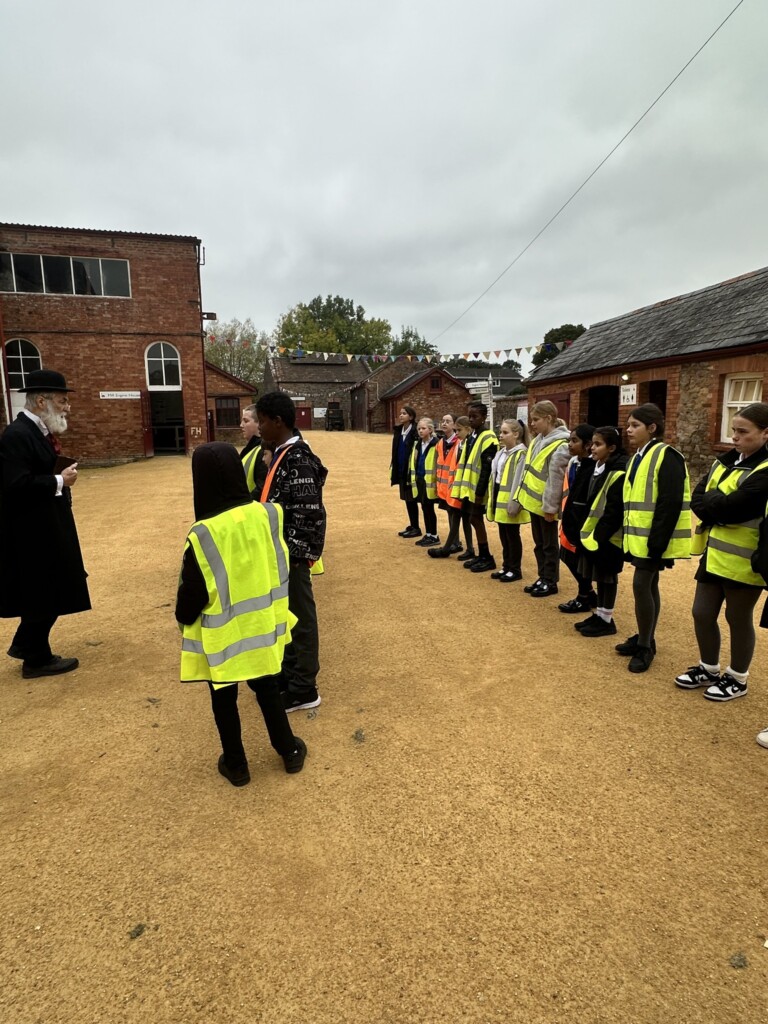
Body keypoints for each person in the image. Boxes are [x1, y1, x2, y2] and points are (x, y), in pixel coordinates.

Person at [176, 443, 306, 786]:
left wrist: (182, 617)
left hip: (224, 637)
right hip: (264, 625)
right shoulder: (270, 514)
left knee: (224, 698)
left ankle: (236, 764)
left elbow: (191, 596)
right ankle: (289, 750)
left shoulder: (203, 533)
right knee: (267, 687)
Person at [674, 402, 768, 702]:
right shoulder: (724, 461)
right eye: (733, 431)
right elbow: (698, 500)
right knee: (701, 613)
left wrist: (715, 505)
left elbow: (733, 506)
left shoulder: (766, 469)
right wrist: (717, 506)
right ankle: (709, 667)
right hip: (714, 553)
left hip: (745, 560)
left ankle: (738, 677)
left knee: (737, 618)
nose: (735, 438)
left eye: (743, 432)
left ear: (765, 434)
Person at [0, 369, 90, 678]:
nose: (68, 408)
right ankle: (36, 659)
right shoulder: (17, 435)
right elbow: (14, 485)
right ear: (41, 400)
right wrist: (58, 480)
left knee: (52, 587)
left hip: (45, 525)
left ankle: (26, 644)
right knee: (45, 590)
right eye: (63, 401)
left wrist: (58, 480)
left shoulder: (36, 432)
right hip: (31, 532)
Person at [257, 391, 328, 712]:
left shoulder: (297, 459)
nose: (259, 427)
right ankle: (290, 673)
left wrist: (298, 554)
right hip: (280, 553)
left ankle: (304, 687)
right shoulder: (283, 453)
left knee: (301, 618)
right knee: (286, 616)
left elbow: (309, 511)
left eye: (261, 421)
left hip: (292, 554)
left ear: (278, 421)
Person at [617, 403, 691, 673]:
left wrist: (657, 542)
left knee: (641, 586)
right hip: (639, 537)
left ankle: (645, 645)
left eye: (635, 425)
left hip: (654, 540)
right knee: (649, 586)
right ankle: (645, 635)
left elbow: (669, 503)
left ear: (652, 428)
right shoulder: (637, 456)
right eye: (628, 425)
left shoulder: (668, 456)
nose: (628, 430)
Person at [575, 426, 628, 637]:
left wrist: (599, 536)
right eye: (592, 443)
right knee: (598, 575)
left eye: (598, 444)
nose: (592, 448)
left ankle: (606, 619)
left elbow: (614, 508)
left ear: (612, 448)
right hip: (595, 534)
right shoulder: (599, 466)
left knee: (608, 576)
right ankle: (600, 614)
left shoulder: (617, 470)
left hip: (608, 536)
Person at [518, 401, 571, 596]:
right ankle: (542, 576)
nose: (532, 424)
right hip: (534, 501)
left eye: (536, 419)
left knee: (549, 545)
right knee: (539, 543)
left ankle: (550, 580)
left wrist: (550, 507)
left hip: (545, 505)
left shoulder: (561, 444)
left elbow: (555, 480)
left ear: (548, 418)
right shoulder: (538, 439)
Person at [453, 402, 499, 573]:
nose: (471, 420)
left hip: (479, 490)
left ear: (484, 417)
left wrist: (480, 493)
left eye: (475, 417)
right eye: (470, 416)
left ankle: (487, 557)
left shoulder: (488, 438)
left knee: (476, 520)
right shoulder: (473, 436)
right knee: (473, 519)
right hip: (469, 489)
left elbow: (486, 469)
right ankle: (482, 554)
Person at [558, 424, 597, 613]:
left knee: (579, 558)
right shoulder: (574, 462)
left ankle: (584, 596)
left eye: (575, 441)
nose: (570, 444)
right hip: (570, 517)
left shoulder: (594, 466)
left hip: (584, 520)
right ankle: (588, 592)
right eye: (569, 440)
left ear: (588, 444)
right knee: (566, 554)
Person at [486, 419, 530, 582]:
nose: (501, 435)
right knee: (503, 534)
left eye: (505, 432)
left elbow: (519, 480)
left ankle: (515, 568)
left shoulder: (521, 453)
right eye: (501, 432)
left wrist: (515, 502)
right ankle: (506, 565)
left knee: (512, 535)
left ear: (516, 434)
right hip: (499, 496)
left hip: (511, 499)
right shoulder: (501, 452)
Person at [429, 416, 474, 560]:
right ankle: (463, 546)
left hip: (460, 487)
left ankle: (449, 548)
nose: (444, 423)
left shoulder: (461, 444)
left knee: (460, 518)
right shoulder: (446, 443)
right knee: (457, 517)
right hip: (450, 487)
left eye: (458, 429)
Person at [409, 417, 441, 547]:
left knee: (429, 508)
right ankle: (428, 534)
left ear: (430, 429)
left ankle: (434, 535)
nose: (420, 431)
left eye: (423, 428)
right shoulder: (418, 444)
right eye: (419, 429)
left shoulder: (436, 444)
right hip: (420, 480)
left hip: (430, 481)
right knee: (424, 507)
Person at [434, 413, 462, 553]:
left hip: (454, 486)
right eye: (443, 421)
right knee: (449, 514)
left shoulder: (459, 443)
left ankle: (455, 543)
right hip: (444, 487)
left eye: (448, 421)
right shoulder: (440, 443)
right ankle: (454, 542)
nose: (444, 423)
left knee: (455, 515)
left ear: (454, 425)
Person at [391, 406, 421, 538]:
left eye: (404, 413)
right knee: (407, 500)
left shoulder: (415, 432)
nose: (401, 415)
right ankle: (412, 524)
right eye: (400, 413)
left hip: (411, 471)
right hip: (401, 470)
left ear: (411, 417)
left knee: (412, 499)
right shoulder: (398, 431)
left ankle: (416, 527)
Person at [240, 403, 270, 498]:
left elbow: (262, 488)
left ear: (259, 423)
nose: (241, 425)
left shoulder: (263, 451)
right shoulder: (250, 449)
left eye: (246, 421)